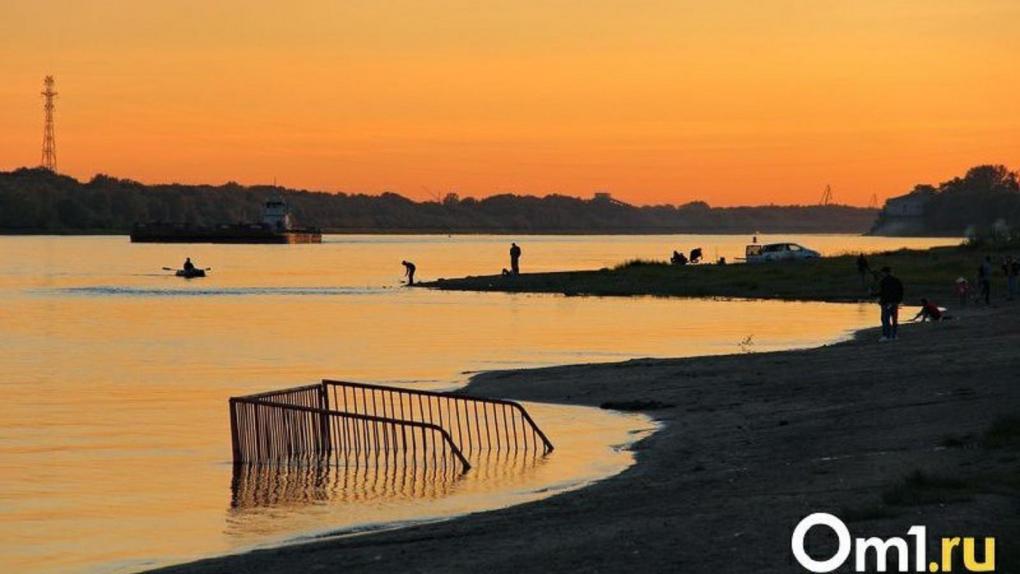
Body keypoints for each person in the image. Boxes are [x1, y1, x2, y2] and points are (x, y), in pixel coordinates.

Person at [875, 266, 903, 341]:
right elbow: (901, 291)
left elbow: (883, 293)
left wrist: (874, 295)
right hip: (895, 303)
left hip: (886, 303)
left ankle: (886, 336)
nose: (881, 274)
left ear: (884, 272)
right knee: (894, 319)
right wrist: (899, 301)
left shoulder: (884, 281)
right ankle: (894, 335)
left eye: (882, 273)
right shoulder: (897, 280)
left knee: (885, 319)